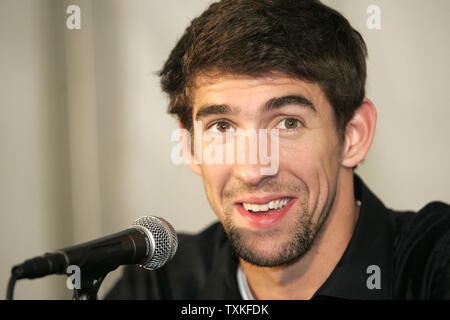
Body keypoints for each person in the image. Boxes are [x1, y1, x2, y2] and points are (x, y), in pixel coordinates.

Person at [106, 0, 450, 300]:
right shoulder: (159, 287)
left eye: (287, 123)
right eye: (222, 127)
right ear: (190, 147)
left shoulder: (434, 265)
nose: (254, 170)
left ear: (353, 135)